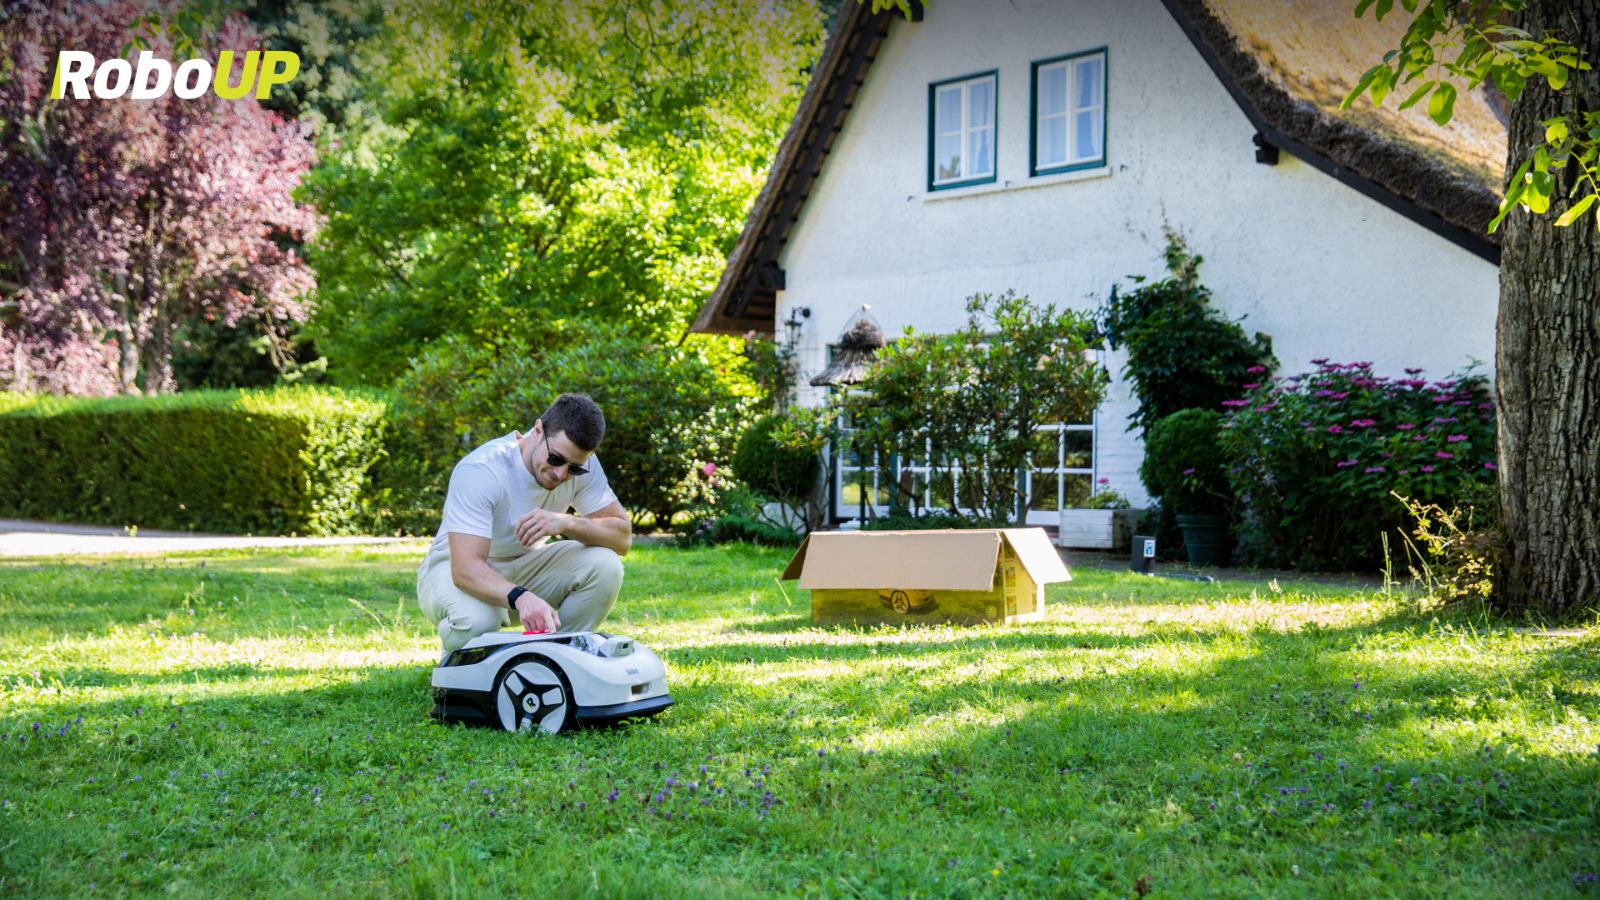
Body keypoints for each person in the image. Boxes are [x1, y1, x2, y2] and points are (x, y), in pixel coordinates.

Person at [417, 393, 631, 659]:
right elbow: (466, 569)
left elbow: (622, 538)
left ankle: (557, 661)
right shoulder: (482, 469)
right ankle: (454, 675)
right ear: (538, 430)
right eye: (555, 459)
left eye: (574, 468)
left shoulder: (581, 464)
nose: (561, 474)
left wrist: (566, 522)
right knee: (479, 621)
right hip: (453, 569)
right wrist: (522, 597)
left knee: (605, 565)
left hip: (527, 564)